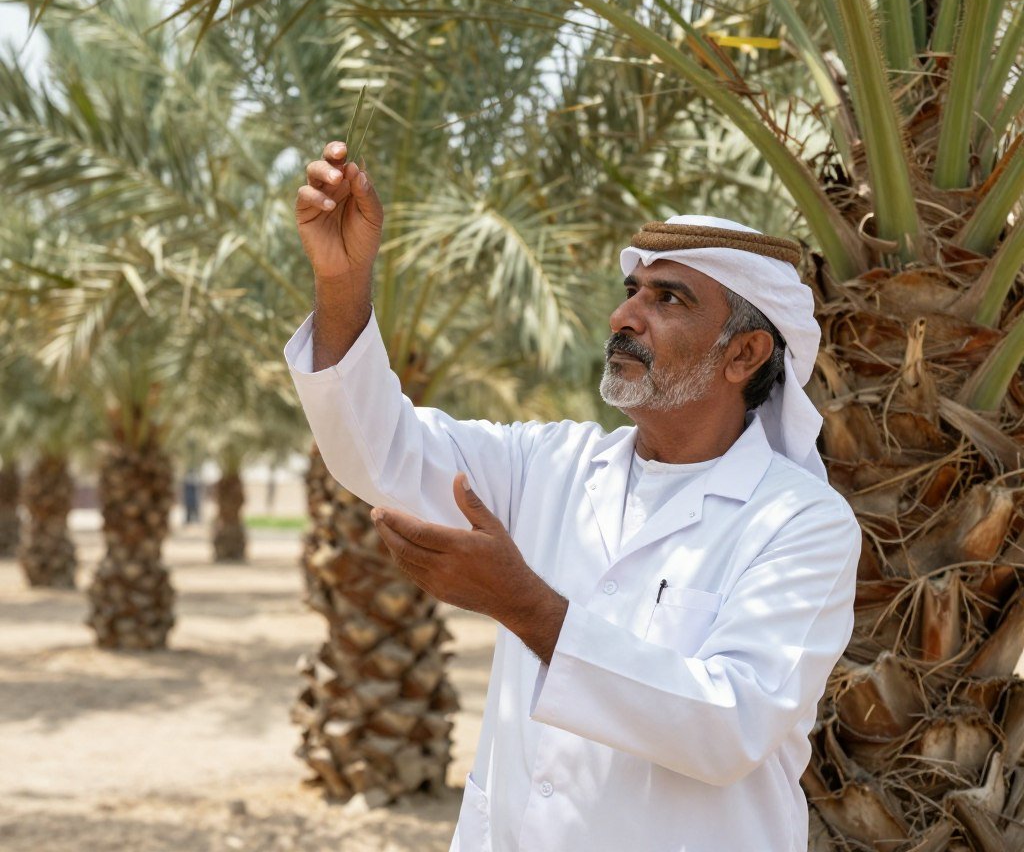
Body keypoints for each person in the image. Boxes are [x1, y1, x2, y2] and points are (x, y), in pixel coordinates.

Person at [285, 140, 861, 852]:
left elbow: (731, 726)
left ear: (743, 354)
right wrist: (342, 282)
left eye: (668, 298)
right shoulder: (550, 464)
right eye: (632, 292)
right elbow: (381, 449)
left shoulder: (800, 522)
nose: (626, 316)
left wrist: (524, 604)